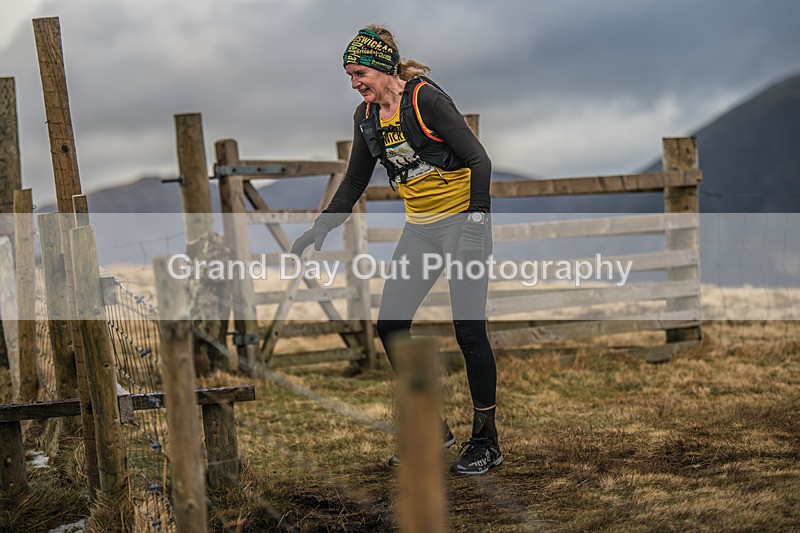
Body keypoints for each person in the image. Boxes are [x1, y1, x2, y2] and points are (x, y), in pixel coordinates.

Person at [291, 25, 502, 475]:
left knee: (469, 331)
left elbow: (479, 159)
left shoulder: (426, 100)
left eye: (360, 73)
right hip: (420, 230)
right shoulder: (366, 116)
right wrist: (321, 226)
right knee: (390, 325)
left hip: (463, 225)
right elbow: (354, 180)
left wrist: (477, 220)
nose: (355, 83)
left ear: (384, 67)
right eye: (349, 76)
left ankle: (486, 441)